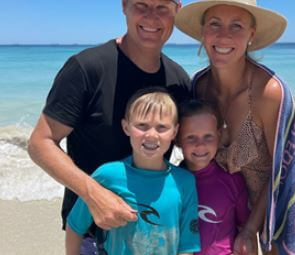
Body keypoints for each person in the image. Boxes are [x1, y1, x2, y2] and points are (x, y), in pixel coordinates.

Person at [27, 0, 190, 253]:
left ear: (176, 12)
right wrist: (94, 194)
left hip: (156, 239)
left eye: (162, 8)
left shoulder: (179, 81)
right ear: (123, 4)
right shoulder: (86, 68)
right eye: (141, 4)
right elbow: (41, 143)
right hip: (92, 234)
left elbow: (192, 152)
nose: (151, 18)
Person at [175, 0, 295, 254]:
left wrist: (251, 227)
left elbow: (282, 174)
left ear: (252, 35)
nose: (223, 36)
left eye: (236, 26)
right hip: (219, 212)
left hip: (270, 215)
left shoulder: (269, 93)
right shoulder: (199, 86)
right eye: (214, 24)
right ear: (203, 32)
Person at [65, 88, 200, 255]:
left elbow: (187, 246)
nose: (151, 135)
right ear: (126, 127)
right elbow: (76, 225)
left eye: (161, 127)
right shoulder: (107, 175)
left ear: (175, 131)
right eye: (142, 126)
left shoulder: (184, 182)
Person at [177, 99, 251, 255]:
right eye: (191, 137)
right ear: (177, 139)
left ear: (219, 136)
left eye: (208, 136)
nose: (200, 145)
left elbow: (245, 229)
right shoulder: (172, 182)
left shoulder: (233, 180)